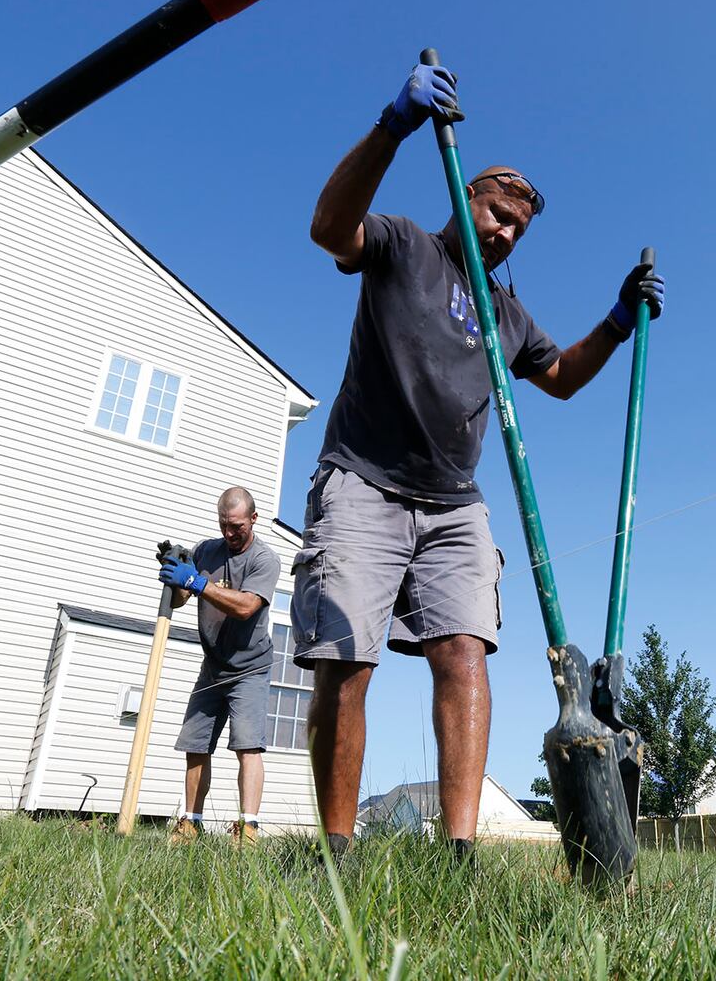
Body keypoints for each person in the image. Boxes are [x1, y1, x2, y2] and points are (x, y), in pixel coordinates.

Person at [297, 61, 666, 861]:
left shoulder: (508, 311)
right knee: (346, 660)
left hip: (454, 501)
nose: (503, 232)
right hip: (362, 479)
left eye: (517, 230)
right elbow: (331, 228)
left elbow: (561, 379)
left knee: (464, 653)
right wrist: (392, 125)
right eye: (497, 214)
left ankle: (458, 856)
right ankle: (334, 850)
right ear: (467, 196)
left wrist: (616, 318)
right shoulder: (402, 245)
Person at [159, 486, 279, 844]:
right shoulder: (207, 550)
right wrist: (175, 572)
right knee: (196, 744)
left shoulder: (264, 559)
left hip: (250, 668)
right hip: (212, 666)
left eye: (237, 526)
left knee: (247, 746)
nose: (230, 533)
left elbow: (245, 607)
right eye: (224, 525)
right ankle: (191, 824)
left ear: (253, 519)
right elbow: (181, 599)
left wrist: (195, 582)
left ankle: (248, 828)